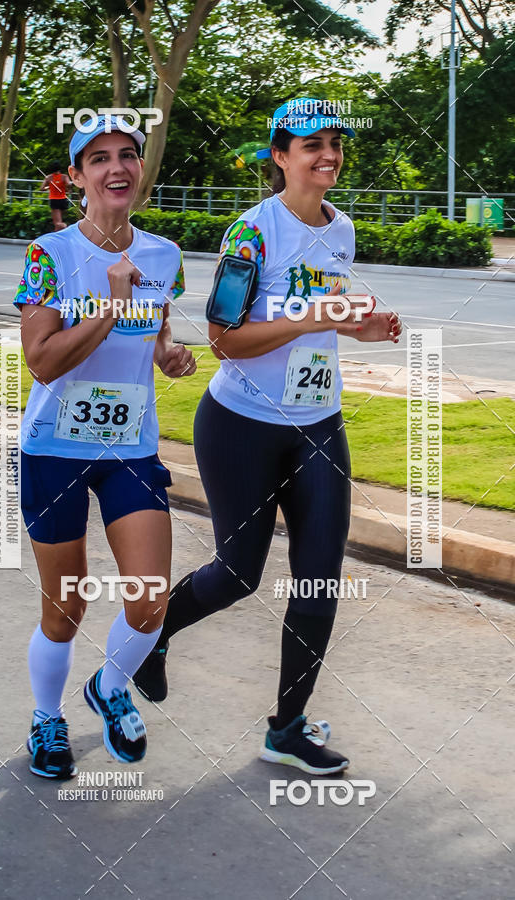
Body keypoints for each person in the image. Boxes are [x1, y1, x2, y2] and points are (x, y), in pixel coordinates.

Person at [133, 98, 402, 775]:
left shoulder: (341, 231)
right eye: (311, 145)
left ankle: (287, 729)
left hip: (318, 425)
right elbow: (224, 339)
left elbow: (327, 318)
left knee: (319, 581)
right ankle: (156, 630)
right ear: (279, 156)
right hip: (241, 427)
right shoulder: (251, 234)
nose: (328, 155)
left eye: (335, 143)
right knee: (238, 574)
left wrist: (356, 326)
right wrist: (312, 315)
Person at [14, 114, 196, 779]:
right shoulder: (50, 254)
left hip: (129, 449)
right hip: (54, 450)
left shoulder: (163, 256)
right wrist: (108, 308)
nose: (116, 168)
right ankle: (46, 717)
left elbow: (155, 336)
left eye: (128, 155)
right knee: (65, 607)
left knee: (150, 598)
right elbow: (41, 362)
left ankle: (111, 687)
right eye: (99, 158)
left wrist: (169, 355)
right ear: (78, 176)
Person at [40, 161, 71, 231]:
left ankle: (67, 228)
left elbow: (42, 188)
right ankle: (57, 239)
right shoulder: (64, 177)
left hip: (54, 200)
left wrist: (49, 187)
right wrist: (66, 189)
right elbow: (69, 184)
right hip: (63, 200)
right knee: (57, 226)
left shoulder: (49, 177)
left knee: (58, 223)